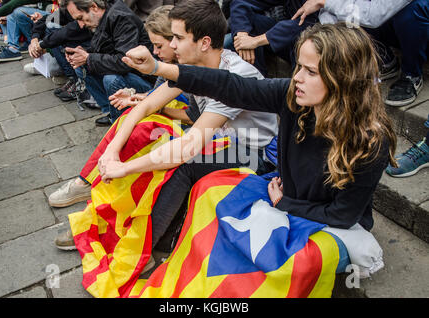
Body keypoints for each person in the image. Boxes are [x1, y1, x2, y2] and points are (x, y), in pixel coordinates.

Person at [124, 22, 397, 231]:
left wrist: (283, 203)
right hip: (285, 196)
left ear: (344, 78)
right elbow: (230, 86)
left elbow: (343, 216)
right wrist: (158, 67)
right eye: (298, 67)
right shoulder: (293, 95)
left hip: (333, 227)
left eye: (311, 71)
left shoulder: (371, 140)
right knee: (216, 209)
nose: (297, 78)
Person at [54, 0, 277, 252]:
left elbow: (189, 147)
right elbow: (145, 106)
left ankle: (142, 248)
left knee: (180, 163)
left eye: (178, 38)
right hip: (221, 141)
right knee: (144, 129)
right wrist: (112, 151)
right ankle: (106, 213)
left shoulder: (237, 75)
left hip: (254, 155)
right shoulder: (195, 65)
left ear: (204, 43)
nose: (171, 45)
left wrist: (124, 168)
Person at [48, 4, 192, 210]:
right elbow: (157, 95)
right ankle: (93, 177)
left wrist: (147, 101)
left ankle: (97, 180)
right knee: (131, 117)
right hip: (187, 121)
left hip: (207, 138)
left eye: (159, 46)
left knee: (140, 120)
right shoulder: (177, 62)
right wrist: (136, 97)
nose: (155, 51)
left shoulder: (190, 65)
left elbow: (195, 117)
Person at [292, 0, 428, 107]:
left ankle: (412, 74)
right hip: (387, 23)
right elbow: (328, 10)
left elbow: (374, 16)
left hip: (415, 26)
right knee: (348, 10)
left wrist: (325, 2)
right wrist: (331, 45)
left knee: (413, 11)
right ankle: (385, 60)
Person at [62, 0, 155, 126]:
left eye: (81, 18)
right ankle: (111, 111)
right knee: (81, 66)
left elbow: (124, 62)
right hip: (133, 73)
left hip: (148, 82)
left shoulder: (121, 18)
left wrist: (89, 57)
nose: (81, 24)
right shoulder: (104, 16)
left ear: (94, 7)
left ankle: (120, 123)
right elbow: (106, 51)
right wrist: (83, 53)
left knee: (111, 79)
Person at [227, 0, 319, 77]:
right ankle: (257, 79)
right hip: (288, 39)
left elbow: (310, 25)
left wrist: (257, 40)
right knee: (247, 24)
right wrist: (242, 35)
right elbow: (241, 2)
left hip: (316, 44)